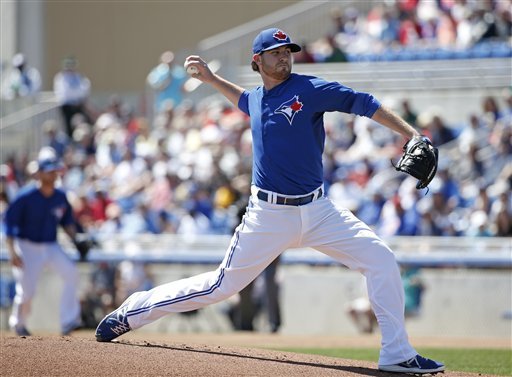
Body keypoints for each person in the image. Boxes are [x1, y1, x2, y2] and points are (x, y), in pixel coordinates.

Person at [95, 28, 445, 375]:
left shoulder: (309, 89)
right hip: (269, 214)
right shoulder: (259, 97)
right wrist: (213, 79)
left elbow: (363, 102)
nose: (284, 56)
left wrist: (412, 134)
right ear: (257, 60)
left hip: (319, 210)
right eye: (276, 52)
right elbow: (246, 101)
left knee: (381, 259)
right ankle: (133, 311)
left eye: (287, 51)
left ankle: (397, 354)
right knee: (221, 286)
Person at [5, 147, 83, 336]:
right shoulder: (25, 196)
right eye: (49, 171)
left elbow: (67, 223)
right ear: (39, 173)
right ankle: (18, 324)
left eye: (55, 170)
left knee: (71, 273)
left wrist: (78, 240)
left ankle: (68, 321)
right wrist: (12, 252)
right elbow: (9, 226)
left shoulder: (60, 196)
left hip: (50, 245)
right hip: (26, 245)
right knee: (27, 290)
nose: (54, 174)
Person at [53, 56, 92, 138]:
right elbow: (65, 93)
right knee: (68, 126)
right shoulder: (60, 78)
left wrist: (78, 99)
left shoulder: (78, 77)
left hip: (78, 104)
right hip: (67, 105)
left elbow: (84, 88)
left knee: (82, 123)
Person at [146, 50, 188, 115]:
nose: (170, 63)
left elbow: (184, 87)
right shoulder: (157, 72)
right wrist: (166, 80)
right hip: (162, 106)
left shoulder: (179, 72)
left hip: (177, 107)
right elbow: (154, 86)